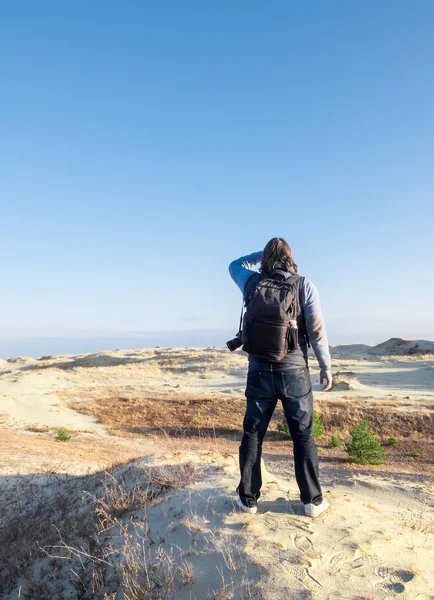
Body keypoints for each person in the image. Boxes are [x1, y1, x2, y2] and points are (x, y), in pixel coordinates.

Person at [228, 238, 332, 518]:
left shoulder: (250, 281)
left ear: (263, 259)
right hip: (294, 373)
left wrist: (260, 257)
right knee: (303, 436)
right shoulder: (304, 284)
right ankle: (312, 501)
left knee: (253, 434)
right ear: (290, 257)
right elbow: (317, 329)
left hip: (258, 371)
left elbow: (233, 264)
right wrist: (326, 366)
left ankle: (247, 500)